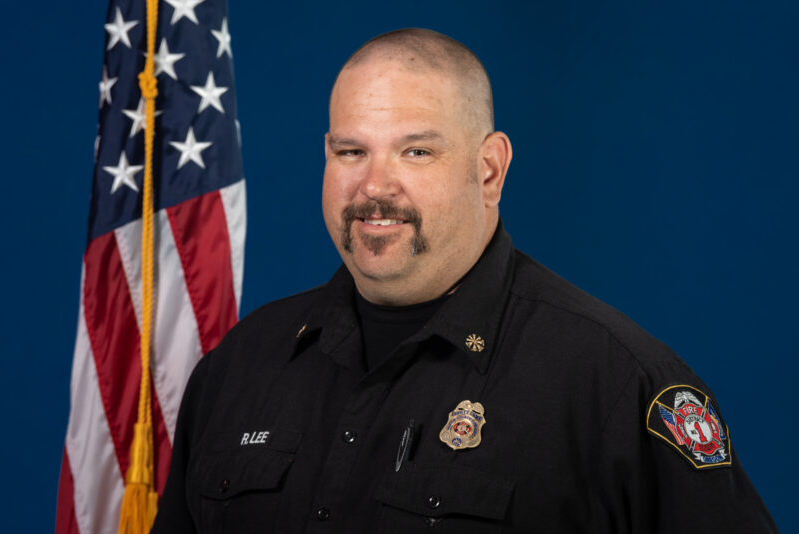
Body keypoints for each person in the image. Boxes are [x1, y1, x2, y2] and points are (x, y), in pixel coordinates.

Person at [152, 28, 777, 533]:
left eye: (416, 151)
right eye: (350, 152)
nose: (373, 186)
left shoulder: (616, 386)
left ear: (489, 170)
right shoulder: (241, 366)